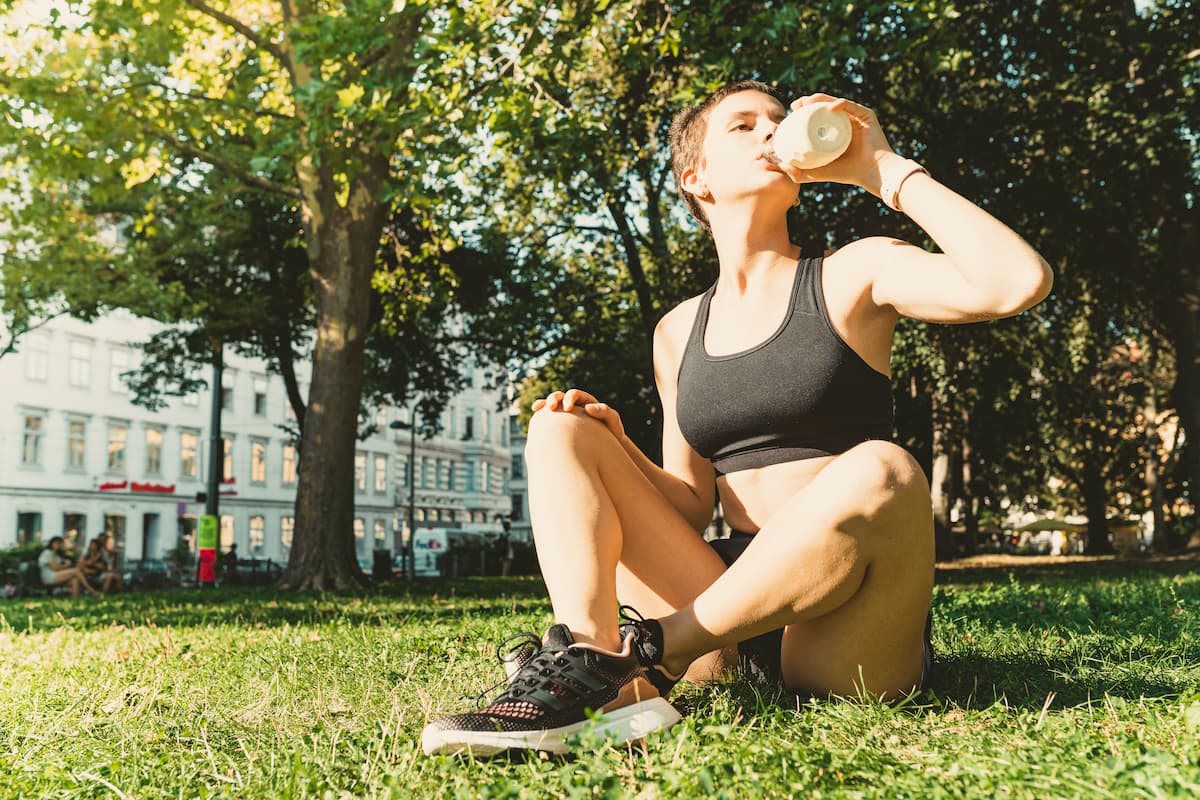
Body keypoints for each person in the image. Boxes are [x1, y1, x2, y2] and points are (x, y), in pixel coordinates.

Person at [421, 80, 1053, 756]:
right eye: (743, 125)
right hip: (723, 612)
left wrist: (883, 170)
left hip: (841, 626)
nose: (771, 132)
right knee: (557, 429)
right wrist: (617, 447)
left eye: (778, 122)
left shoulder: (854, 272)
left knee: (886, 469)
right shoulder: (676, 331)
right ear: (697, 178)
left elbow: (1015, 282)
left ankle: (651, 656)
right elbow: (691, 505)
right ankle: (591, 669)